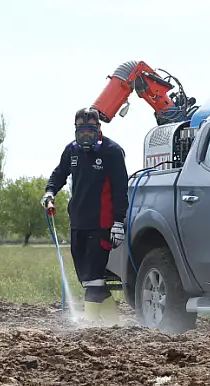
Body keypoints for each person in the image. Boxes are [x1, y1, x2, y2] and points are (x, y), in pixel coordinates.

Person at [41, 107, 128, 322]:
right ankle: (114, 324)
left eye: (89, 130)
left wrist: (118, 222)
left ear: (98, 129)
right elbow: (59, 174)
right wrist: (50, 192)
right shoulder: (72, 151)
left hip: (102, 224)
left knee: (94, 277)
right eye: (80, 131)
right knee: (87, 279)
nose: (84, 135)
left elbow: (120, 190)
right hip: (78, 223)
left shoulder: (112, 152)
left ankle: (89, 326)